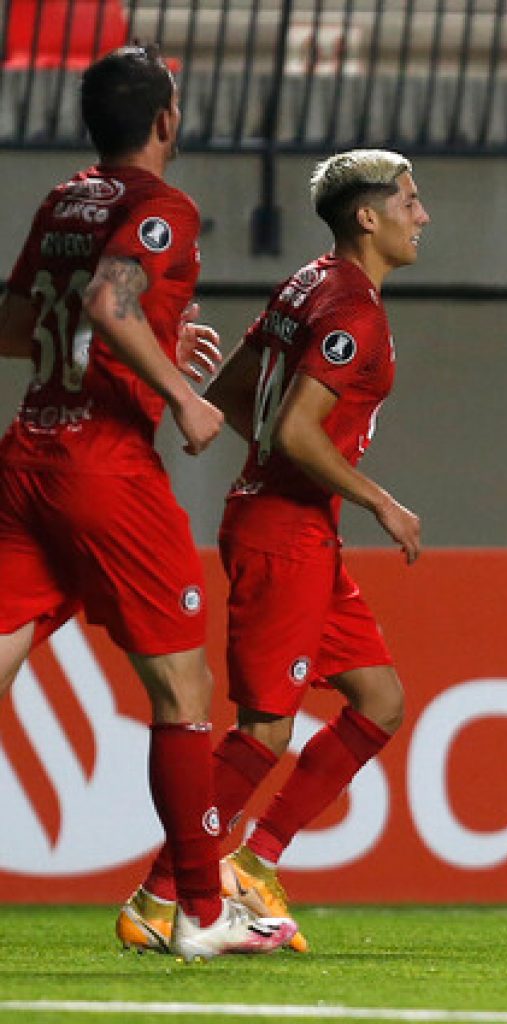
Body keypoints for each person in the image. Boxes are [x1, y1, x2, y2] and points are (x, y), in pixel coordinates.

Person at [0, 44, 296, 961]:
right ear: (166, 120)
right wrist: (179, 390)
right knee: (182, 691)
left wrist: (152, 333)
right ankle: (201, 912)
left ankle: (198, 906)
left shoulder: (63, 199)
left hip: (24, 456)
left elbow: (18, 325)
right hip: (105, 470)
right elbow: (107, 300)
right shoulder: (160, 207)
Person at [116, 148, 429, 953]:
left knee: (381, 701)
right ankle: (158, 897)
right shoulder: (353, 309)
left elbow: (236, 397)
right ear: (368, 215)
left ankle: (256, 859)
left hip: (296, 526)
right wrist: (379, 500)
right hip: (282, 534)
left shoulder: (307, 283)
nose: (420, 216)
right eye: (410, 200)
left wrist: (295, 477)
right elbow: (291, 429)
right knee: (265, 731)